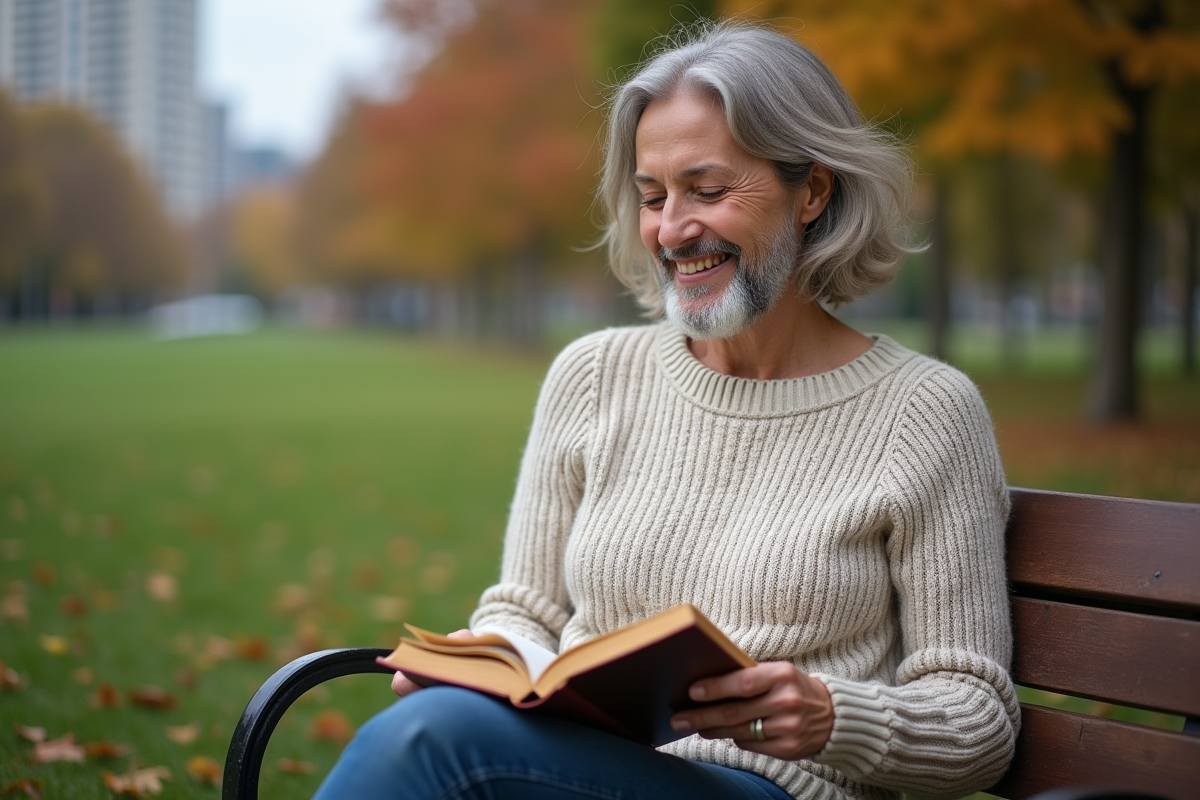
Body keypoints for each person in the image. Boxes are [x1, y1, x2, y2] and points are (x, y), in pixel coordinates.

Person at [313, 19, 1019, 800]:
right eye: (653, 197)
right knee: (442, 727)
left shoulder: (925, 412)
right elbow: (524, 610)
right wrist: (485, 664)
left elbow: (978, 721)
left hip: (778, 791)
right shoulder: (594, 374)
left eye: (708, 191)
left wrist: (830, 716)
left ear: (812, 190)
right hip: (579, 769)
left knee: (433, 746)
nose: (673, 230)